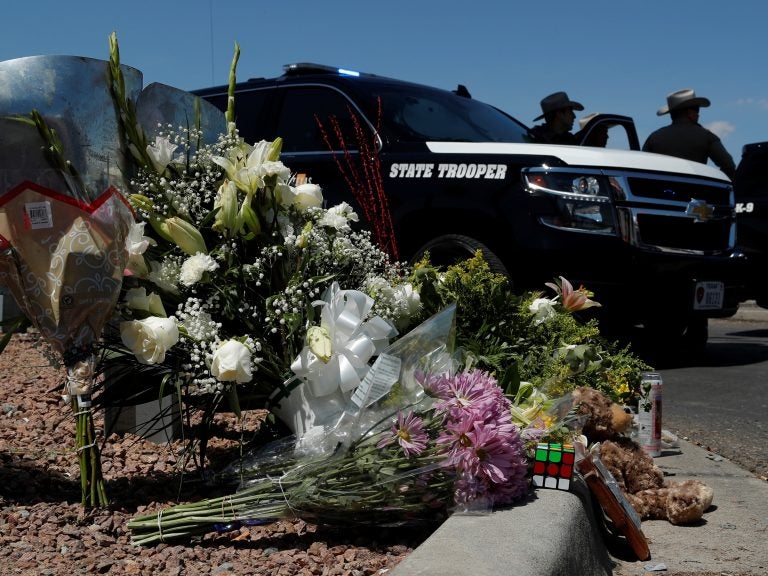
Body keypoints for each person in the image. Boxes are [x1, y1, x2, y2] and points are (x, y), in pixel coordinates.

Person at [642, 89, 736, 179]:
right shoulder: (707, 137)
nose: (699, 114)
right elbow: (729, 166)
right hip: (696, 192)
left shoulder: (654, 137)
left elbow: (642, 166)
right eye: (697, 110)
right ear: (690, 113)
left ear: (671, 114)